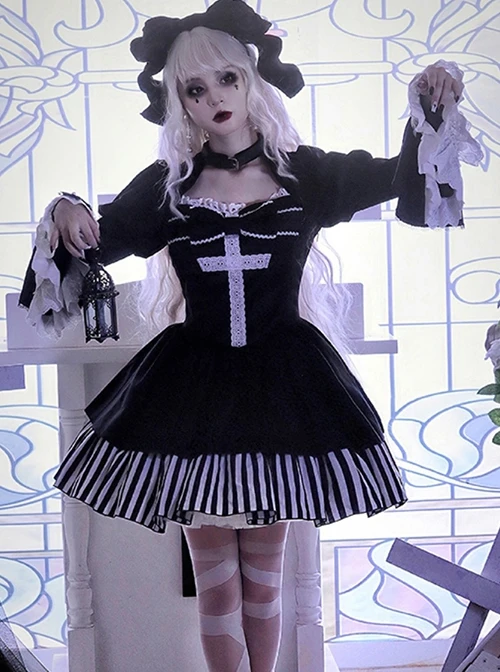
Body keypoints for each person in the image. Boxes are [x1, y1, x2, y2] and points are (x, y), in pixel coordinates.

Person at [16, 1, 482, 671]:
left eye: (227, 79)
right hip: (192, 395)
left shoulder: (306, 174)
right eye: (195, 89)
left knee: (264, 584)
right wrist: (65, 208)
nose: (214, 99)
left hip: (282, 392)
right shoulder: (168, 189)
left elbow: (403, 181)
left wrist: (430, 108)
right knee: (215, 588)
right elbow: (87, 250)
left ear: (252, 78)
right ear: (179, 102)